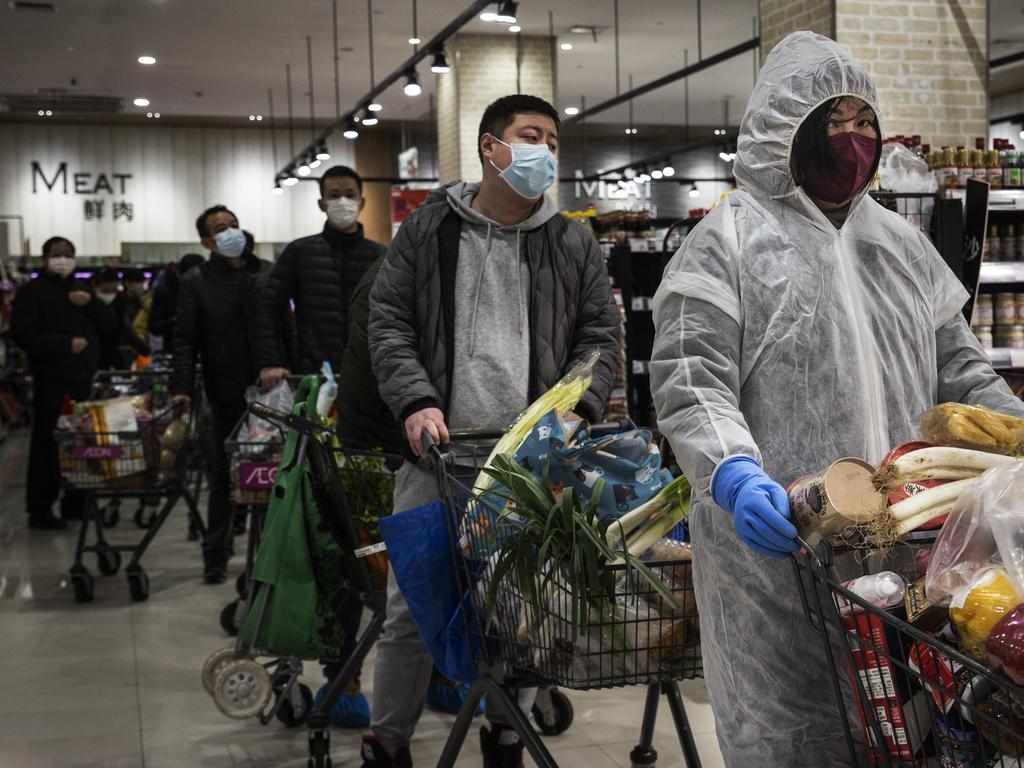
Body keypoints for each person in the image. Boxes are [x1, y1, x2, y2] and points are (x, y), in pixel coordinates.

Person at [649, 32, 1024, 768]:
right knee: (795, 741)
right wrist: (732, 472)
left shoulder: (901, 245)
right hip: (778, 562)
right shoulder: (728, 242)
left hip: (908, 558)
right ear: (782, 131)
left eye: (864, 121)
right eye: (832, 121)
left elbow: (965, 371)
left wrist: (1014, 434)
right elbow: (692, 378)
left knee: (910, 737)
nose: (852, 140)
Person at [365, 94, 620, 768]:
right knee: (411, 610)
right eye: (530, 135)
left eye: (553, 140)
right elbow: (387, 321)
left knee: (526, 607)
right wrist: (415, 401)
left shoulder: (571, 241)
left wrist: (578, 408)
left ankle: (505, 731)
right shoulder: (427, 231)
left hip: (530, 464)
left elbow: (601, 337)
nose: (544, 151)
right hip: (436, 454)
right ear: (489, 146)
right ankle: (387, 740)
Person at [171, 205, 274, 583]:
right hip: (224, 388)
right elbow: (184, 341)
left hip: (271, 392)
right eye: (220, 229)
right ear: (206, 241)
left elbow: (283, 325)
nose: (230, 232)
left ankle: (269, 555)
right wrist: (181, 388)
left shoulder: (265, 272)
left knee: (270, 472)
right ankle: (215, 553)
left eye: (233, 225)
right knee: (223, 474)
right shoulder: (195, 281)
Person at [11, 237, 115, 529]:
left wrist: (91, 303)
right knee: (48, 443)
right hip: (51, 379)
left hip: (84, 379)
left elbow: (109, 325)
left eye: (69, 254)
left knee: (82, 443)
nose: (64, 260)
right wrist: (64, 345)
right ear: (44, 259)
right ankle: (41, 508)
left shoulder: (81, 289)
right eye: (57, 255)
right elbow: (22, 335)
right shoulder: (31, 292)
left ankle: (77, 502)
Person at [255, 165, 386, 389]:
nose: (343, 201)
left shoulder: (381, 257)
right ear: (321, 204)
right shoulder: (299, 252)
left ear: (362, 202)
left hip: (371, 375)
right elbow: (267, 308)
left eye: (350, 195)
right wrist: (270, 361)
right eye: (334, 195)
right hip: (312, 375)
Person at [148, 254, 204, 350]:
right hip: (175, 350)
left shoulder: (208, 291)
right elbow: (154, 326)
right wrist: (178, 320)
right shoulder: (164, 292)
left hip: (205, 351)